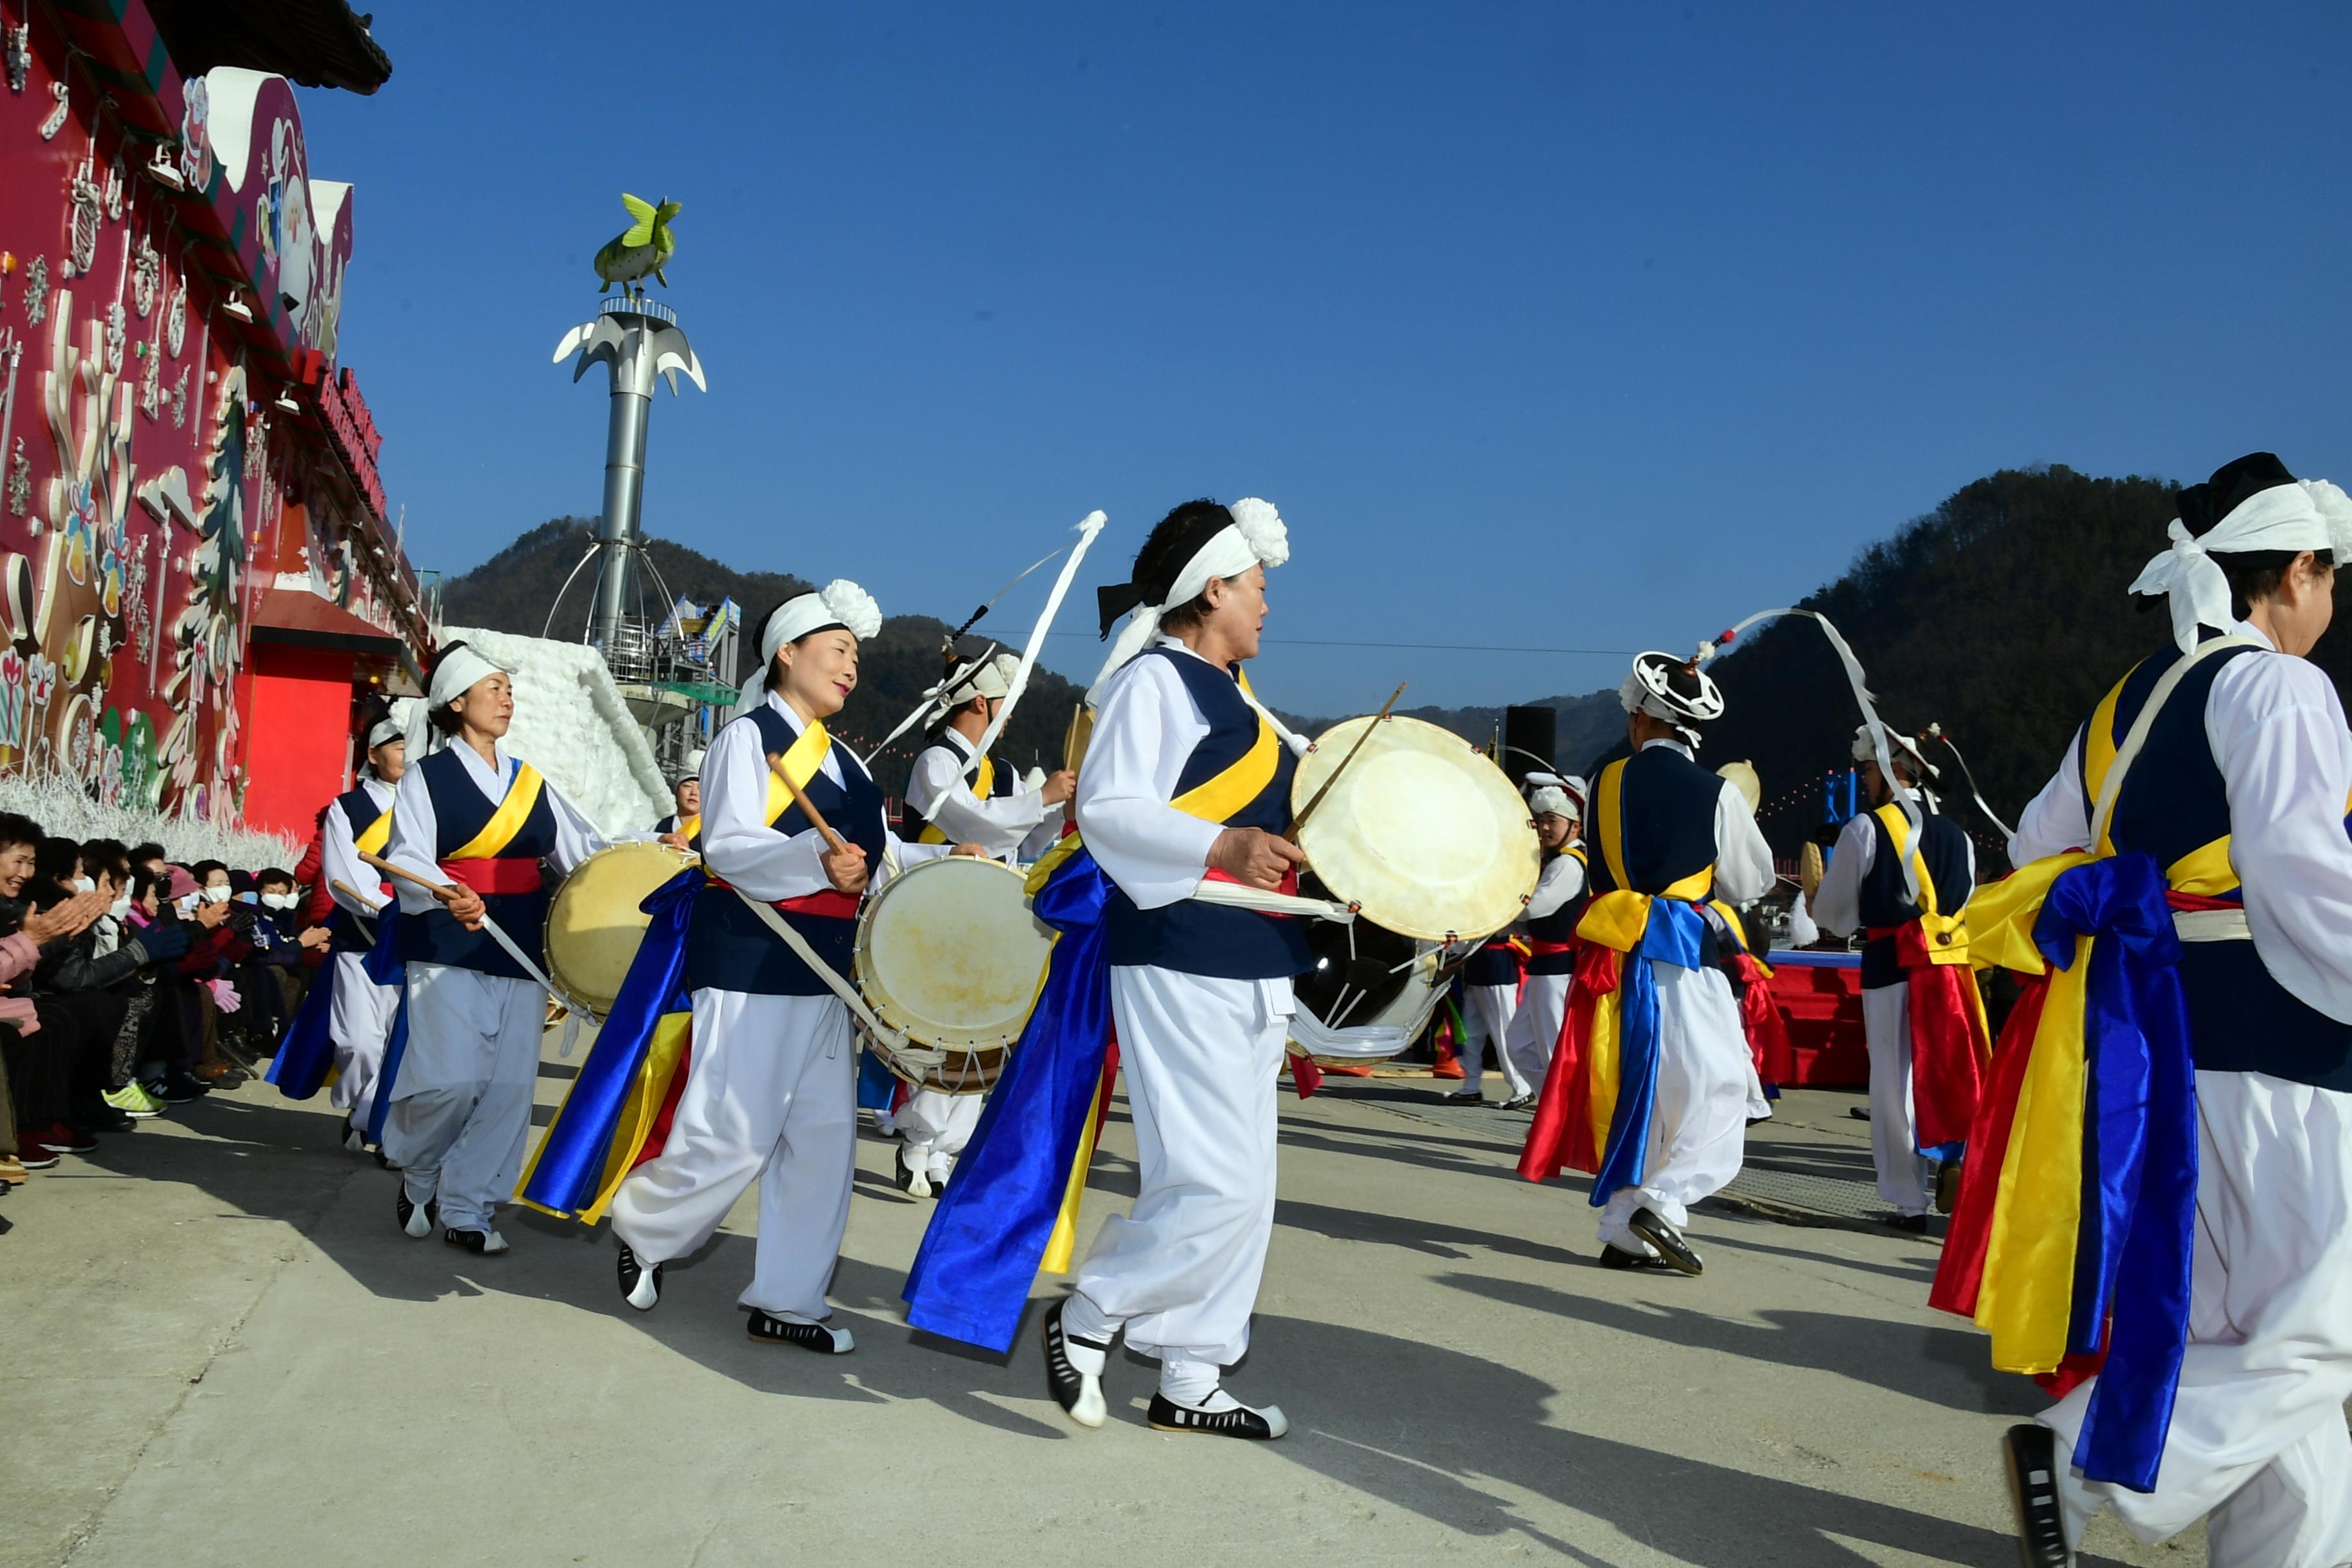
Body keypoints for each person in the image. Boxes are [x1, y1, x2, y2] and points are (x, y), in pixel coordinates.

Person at [1973, 454, 2352, 1568]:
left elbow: (2035, 855)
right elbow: (2301, 874)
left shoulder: (2121, 705)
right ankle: (2078, 1454)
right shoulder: (2277, 686)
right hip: (2287, 1053)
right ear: (2291, 572)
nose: (2329, 607)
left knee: (2250, 1345)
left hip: (2168, 1059)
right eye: (2328, 580)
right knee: (2316, 1338)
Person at [606, 582, 966, 1349]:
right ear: (787, 652)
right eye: (840, 651)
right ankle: (644, 1226)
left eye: (857, 658)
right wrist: (813, 855)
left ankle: (790, 1297)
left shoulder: (844, 761)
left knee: (823, 1139)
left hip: (830, 970)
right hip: (756, 955)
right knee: (734, 1130)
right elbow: (727, 845)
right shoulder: (748, 736)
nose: (851, 668)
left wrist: (952, 858)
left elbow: (885, 857)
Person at [1037, 496, 1308, 1440]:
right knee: (1214, 1181)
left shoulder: (1242, 703)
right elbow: (1110, 811)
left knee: (1244, 1186)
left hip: (1246, 960)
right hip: (1183, 954)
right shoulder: (1157, 682)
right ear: (1215, 587)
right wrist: (1226, 844)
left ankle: (1192, 1373)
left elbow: (1247, 834)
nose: (1269, 606)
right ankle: (1093, 1310)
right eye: (1260, 588)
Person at [1518, 649, 1774, 1275]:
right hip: (1684, 953)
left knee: (1645, 1092)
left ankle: (1625, 1231)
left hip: (1616, 954)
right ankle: (1661, 1200)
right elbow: (1750, 881)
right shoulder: (1718, 794)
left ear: (1640, 721)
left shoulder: (1601, 783)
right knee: (1718, 1087)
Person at [380, 642, 608, 1255]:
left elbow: (585, 852)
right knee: (451, 1082)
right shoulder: (427, 777)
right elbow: (406, 854)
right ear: (457, 701)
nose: (508, 699)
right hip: (448, 942)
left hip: (520, 946)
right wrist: (442, 888)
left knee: (508, 1088)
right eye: (495, 688)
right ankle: (419, 1165)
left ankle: (470, 1207)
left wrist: (644, 858)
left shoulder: (530, 782)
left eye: (510, 689)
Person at [894, 645, 1077, 1194]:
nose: (1010, 714)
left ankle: (949, 1149)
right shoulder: (937, 763)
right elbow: (971, 824)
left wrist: (1054, 811)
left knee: (984, 1032)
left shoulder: (1005, 771)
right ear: (980, 700)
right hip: (934, 908)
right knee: (941, 1029)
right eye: (1005, 702)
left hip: (986, 916)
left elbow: (1022, 838)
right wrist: (1038, 797)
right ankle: (917, 1141)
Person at [1808, 724, 1984, 1231]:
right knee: (1949, 1067)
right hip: (1949, 963)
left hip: (1891, 965)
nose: (1864, 780)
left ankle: (1909, 1200)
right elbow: (1965, 898)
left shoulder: (1865, 829)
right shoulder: (1960, 837)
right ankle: (1956, 1154)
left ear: (1892, 772)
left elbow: (1836, 916)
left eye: (1868, 770)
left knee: (1892, 1081)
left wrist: (1824, 904)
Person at [317, 718, 408, 1152]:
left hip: (412, 944)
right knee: (359, 1042)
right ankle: (362, 1109)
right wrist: (386, 907)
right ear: (373, 755)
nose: (406, 756)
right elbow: (344, 877)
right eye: (398, 747)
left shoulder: (426, 807)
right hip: (363, 940)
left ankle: (375, 1123)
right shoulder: (348, 808)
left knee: (401, 1045)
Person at [1493, 779, 1588, 1108]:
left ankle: (1561, 1117)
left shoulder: (1568, 864)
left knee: (1552, 1047)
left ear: (1575, 825)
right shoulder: (1560, 861)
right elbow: (1531, 915)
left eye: (1553, 821)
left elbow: (1536, 907)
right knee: (1519, 1043)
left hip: (1558, 969)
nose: (1545, 828)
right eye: (1542, 821)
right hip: (1544, 967)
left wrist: (1498, 903)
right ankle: (1555, 1107)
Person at [654, 750, 703, 839]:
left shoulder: (712, 832)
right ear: (677, 791)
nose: (694, 793)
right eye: (687, 786)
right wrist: (662, 838)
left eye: (700, 789)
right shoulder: (659, 827)